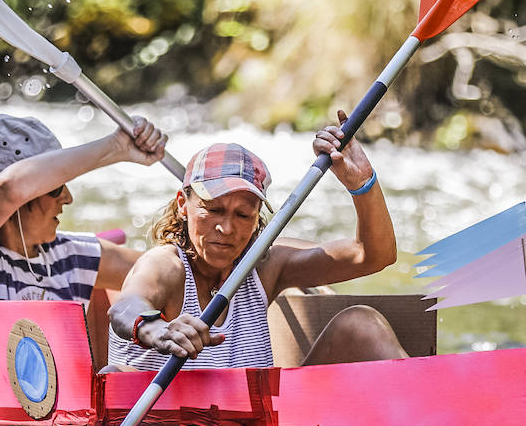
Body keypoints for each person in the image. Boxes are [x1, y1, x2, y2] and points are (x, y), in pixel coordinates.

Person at [107, 112, 407, 370]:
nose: (226, 228)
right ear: (183, 206)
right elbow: (124, 309)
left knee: (361, 324)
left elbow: (373, 255)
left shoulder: (265, 266)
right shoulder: (165, 265)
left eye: (243, 215)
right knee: (113, 371)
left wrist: (362, 183)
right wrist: (158, 330)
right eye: (213, 210)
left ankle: (439, 424)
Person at [0, 113, 167, 303]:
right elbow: (9, 190)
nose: (68, 198)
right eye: (56, 187)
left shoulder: (70, 256)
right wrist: (116, 147)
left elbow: (168, 273)